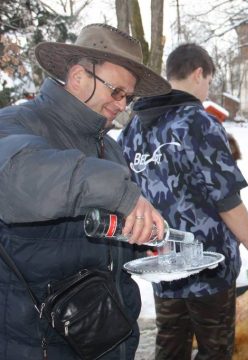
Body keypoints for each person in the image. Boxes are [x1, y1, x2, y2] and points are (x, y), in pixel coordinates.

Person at [0, 24, 171, 359]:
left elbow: (104, 241)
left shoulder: (110, 147)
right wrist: (121, 193)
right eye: (117, 92)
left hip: (109, 340)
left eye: (129, 98)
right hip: (39, 346)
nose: (123, 106)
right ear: (79, 76)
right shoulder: (15, 124)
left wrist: (143, 244)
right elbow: (17, 175)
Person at [118, 43, 248, 360]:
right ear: (198, 73)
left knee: (170, 344)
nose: (206, 90)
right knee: (214, 350)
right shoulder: (197, 123)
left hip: (163, 261)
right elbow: (227, 202)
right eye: (208, 82)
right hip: (208, 264)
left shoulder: (134, 127)